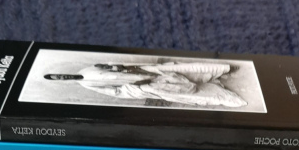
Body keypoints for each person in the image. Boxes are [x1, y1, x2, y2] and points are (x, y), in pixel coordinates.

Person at [43, 59, 246, 109]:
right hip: (139, 85)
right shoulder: (87, 84)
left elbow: (114, 66)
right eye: (60, 79)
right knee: (184, 92)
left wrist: (123, 69)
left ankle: (222, 70)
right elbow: (116, 91)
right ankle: (226, 97)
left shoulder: (87, 70)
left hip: (141, 71)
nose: (63, 77)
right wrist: (139, 85)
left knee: (185, 70)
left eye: (60, 75)